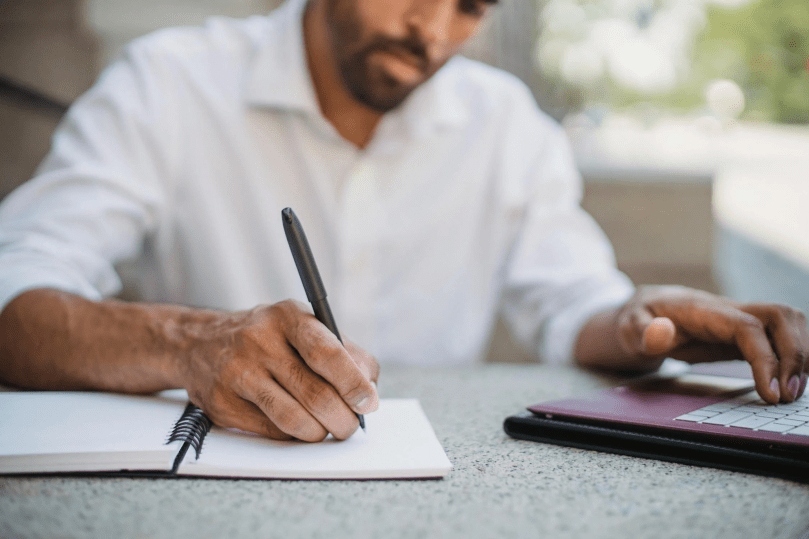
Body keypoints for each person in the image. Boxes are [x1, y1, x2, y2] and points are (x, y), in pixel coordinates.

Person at [0, 0, 806, 443]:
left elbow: (571, 306)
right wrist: (189, 343)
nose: (432, 32)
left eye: (469, 7)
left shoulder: (505, 124)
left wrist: (646, 321)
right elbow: (15, 290)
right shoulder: (168, 83)